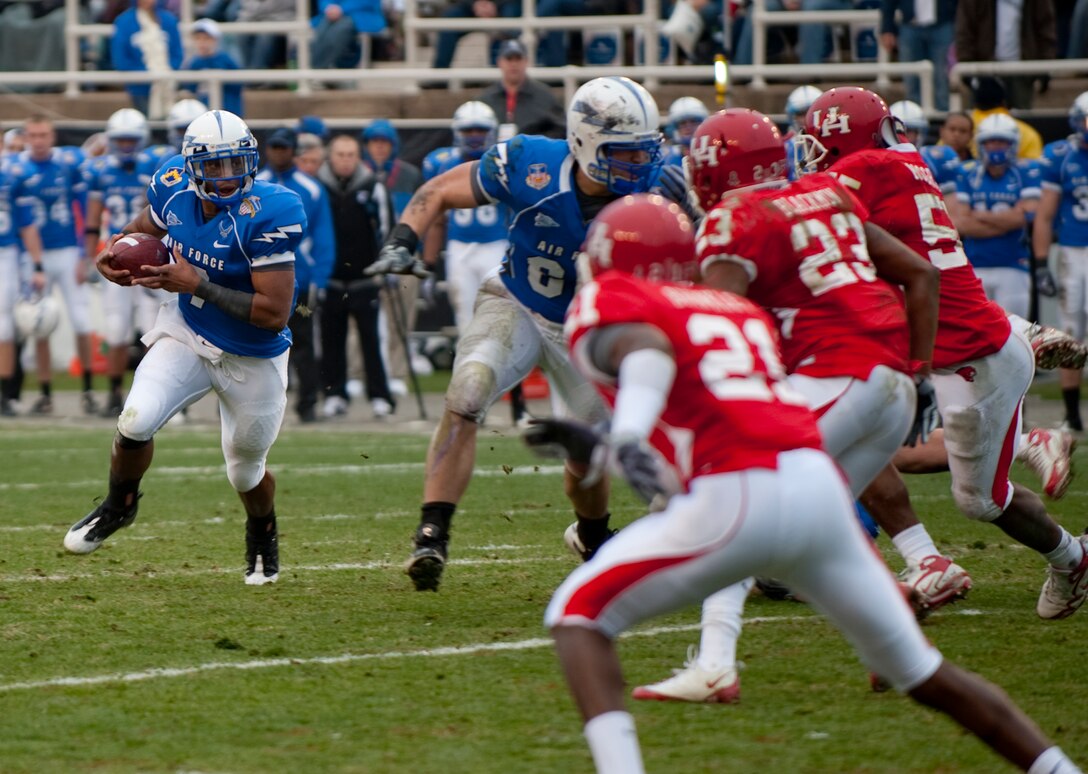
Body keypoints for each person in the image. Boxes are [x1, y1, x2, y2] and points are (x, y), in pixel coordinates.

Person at [534, 193, 1083, 774]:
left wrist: (626, 435)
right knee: (924, 674)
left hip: (739, 491)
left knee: (577, 615)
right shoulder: (733, 312)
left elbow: (646, 351)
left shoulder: (610, 299)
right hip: (816, 490)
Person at [631, 107, 941, 704]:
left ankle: (715, 663)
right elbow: (920, 275)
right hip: (893, 387)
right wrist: (922, 373)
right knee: (809, 524)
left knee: (735, 500)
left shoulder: (735, 219)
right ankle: (896, 634)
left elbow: (715, 326)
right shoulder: (828, 191)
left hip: (838, 374)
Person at [366, 76, 666, 592]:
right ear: (585, 143)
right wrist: (402, 240)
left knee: (587, 448)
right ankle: (431, 533)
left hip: (591, 328)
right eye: (625, 154)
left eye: (644, 154)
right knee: (467, 390)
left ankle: (592, 535)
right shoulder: (532, 164)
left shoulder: (660, 193)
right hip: (518, 304)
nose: (639, 167)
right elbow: (437, 190)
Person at [801, 86, 1088, 620]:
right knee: (883, 449)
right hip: (958, 346)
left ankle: (1074, 558)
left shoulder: (863, 168)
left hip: (973, 360)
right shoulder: (903, 162)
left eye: (819, 144)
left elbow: (809, 211)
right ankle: (931, 550)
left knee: (979, 500)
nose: (813, 157)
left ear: (844, 137)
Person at [63, 110, 306, 587]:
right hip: (187, 332)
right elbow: (139, 232)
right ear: (192, 166)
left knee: (244, 470)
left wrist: (202, 283)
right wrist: (111, 255)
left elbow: (275, 312)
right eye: (213, 167)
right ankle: (119, 505)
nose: (226, 176)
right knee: (135, 419)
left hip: (252, 352)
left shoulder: (272, 210)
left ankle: (262, 528)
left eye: (235, 163)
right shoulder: (172, 184)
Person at [9, 115, 96, 416]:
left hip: (67, 250)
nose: (38, 141)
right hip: (34, 255)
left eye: (43, 134)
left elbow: (86, 207)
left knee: (82, 321)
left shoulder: (68, 163)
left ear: (53, 136)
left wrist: (86, 255)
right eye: (33, 135)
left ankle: (87, 390)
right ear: (26, 137)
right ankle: (45, 394)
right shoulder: (16, 166)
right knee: (40, 323)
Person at [81, 108, 164, 417]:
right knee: (116, 330)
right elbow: (92, 222)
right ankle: (115, 395)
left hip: (146, 258)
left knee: (151, 331)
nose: (127, 146)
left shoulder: (154, 169)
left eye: (132, 140)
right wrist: (90, 258)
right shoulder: (100, 171)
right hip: (116, 255)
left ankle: (152, 397)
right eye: (121, 140)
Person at [256, 127, 336, 423]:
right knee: (254, 341)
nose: (279, 153)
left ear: (293, 151)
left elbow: (324, 236)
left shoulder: (311, 189)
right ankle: (252, 403)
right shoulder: (253, 185)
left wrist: (320, 278)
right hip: (259, 279)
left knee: (303, 343)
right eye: (274, 147)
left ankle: (308, 403)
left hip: (298, 279)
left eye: (284, 148)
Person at [316, 133, 397, 420]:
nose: (346, 161)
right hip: (332, 278)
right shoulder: (318, 187)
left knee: (371, 341)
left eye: (351, 155)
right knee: (331, 341)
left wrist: (387, 265)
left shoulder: (373, 186)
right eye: (340, 154)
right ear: (330, 157)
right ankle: (335, 394)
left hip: (365, 277)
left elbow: (387, 226)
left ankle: (380, 395)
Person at [946, 114, 1041, 322]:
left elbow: (1025, 217)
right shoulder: (966, 173)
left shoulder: (1026, 171)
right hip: (974, 266)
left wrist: (978, 215)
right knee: (976, 333)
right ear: (981, 144)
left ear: (1013, 144)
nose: (995, 147)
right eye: (990, 141)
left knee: (1017, 331)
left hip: (1013, 264)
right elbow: (961, 223)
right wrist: (1006, 221)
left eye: (1001, 141)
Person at [1034, 91, 1088, 433]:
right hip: (1073, 251)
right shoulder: (1061, 156)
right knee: (1072, 332)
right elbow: (1044, 214)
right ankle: (1073, 416)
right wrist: (1041, 262)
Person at [360, 119, 427, 397]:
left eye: (384, 143)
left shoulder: (409, 175)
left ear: (393, 146)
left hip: (402, 254)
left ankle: (397, 372)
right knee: (360, 318)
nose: (378, 148)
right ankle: (358, 372)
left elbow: (424, 213)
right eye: (373, 142)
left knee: (402, 314)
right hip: (365, 253)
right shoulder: (358, 175)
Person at [955, 0, 1056, 111]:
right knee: (981, 121)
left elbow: (1046, 29)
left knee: (1022, 118)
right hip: (984, 71)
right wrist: (968, 68)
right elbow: (964, 31)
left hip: (1022, 70)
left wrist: (1046, 66)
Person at [0, 155, 40, 418]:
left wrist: (37, 264)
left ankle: (5, 394)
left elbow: (27, 226)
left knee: (4, 324)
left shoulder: (12, 180)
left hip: (6, 253)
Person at [476, 38, 565, 140]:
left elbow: (561, 129)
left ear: (526, 61)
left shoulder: (544, 96)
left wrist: (535, 144)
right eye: (509, 59)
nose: (514, 64)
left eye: (518, 59)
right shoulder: (486, 99)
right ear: (499, 62)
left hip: (532, 154)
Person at [110, 0, 184, 119]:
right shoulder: (124, 22)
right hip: (139, 88)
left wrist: (164, 73)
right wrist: (148, 74)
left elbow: (177, 54)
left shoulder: (169, 20)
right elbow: (121, 59)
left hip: (168, 86)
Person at [879, 0, 955, 112]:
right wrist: (887, 29)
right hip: (910, 26)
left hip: (943, 24)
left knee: (942, 76)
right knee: (911, 79)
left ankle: (942, 118)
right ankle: (914, 116)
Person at [430, 0, 520, 70]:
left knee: (509, 19)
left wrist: (495, 5)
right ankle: (440, 74)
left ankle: (499, 75)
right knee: (449, 19)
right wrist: (475, 4)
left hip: (505, 5)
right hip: (469, 5)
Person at [181, 18, 244, 117]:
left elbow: (238, 85)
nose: (202, 42)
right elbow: (190, 87)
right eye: (198, 38)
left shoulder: (225, 60)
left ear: (216, 40)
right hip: (204, 113)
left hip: (228, 112)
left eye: (206, 38)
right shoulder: (194, 63)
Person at [310, 0, 387, 74]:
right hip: (331, 15)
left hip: (361, 14)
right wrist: (328, 8)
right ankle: (315, 68)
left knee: (341, 29)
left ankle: (317, 70)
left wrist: (341, 9)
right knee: (322, 29)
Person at [661, 96, 708, 166]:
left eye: (693, 121)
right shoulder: (666, 157)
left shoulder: (711, 153)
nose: (688, 127)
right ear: (675, 127)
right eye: (682, 123)